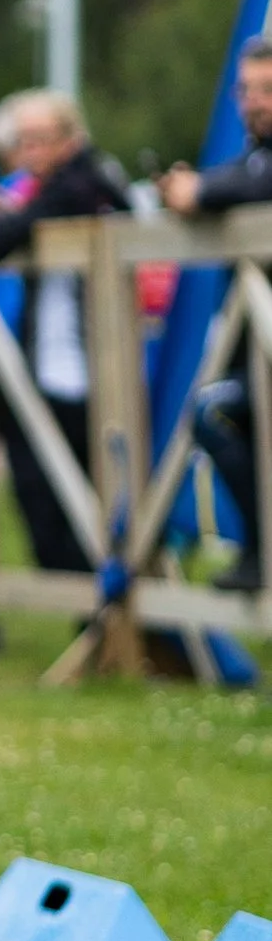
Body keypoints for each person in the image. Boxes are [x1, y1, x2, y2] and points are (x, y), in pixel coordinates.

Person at [0, 90, 129, 575]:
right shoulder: (58, 186)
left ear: (70, 139)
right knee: (44, 500)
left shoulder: (82, 182)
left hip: (91, 373)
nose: (30, 153)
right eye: (24, 142)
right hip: (52, 367)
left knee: (79, 506)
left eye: (41, 140)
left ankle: (99, 598)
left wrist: (12, 218)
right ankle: (87, 594)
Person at [163, 35, 272, 588]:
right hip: (254, 343)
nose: (253, 102)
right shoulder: (252, 156)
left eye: (267, 90)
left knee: (215, 413)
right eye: (245, 90)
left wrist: (201, 190)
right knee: (217, 414)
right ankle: (260, 551)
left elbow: (253, 184)